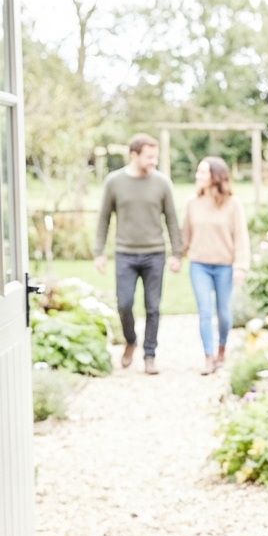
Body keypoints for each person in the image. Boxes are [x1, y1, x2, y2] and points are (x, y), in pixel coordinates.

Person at [94, 134, 182, 375]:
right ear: (134, 155)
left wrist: (176, 253)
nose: (154, 161)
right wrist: (99, 252)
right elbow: (103, 218)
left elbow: (172, 220)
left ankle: (150, 355)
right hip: (125, 254)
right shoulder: (114, 182)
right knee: (124, 304)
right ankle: (130, 340)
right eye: (149, 157)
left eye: (155, 157)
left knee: (153, 307)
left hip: (155, 254)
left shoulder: (162, 183)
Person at [182, 157, 250, 375]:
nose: (198, 176)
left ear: (216, 176)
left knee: (223, 313)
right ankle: (208, 357)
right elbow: (185, 235)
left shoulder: (233, 204)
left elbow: (240, 237)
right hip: (199, 265)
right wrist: (176, 255)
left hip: (224, 266)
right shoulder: (192, 202)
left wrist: (240, 267)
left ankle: (222, 349)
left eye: (203, 172)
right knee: (204, 311)